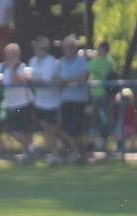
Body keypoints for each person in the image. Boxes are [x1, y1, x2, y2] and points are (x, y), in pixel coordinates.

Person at [0, 43, 34, 162]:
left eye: (13, 54)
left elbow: (17, 80)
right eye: (8, 54)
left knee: (26, 131)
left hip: (24, 103)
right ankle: (32, 148)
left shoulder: (22, 67)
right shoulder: (1, 67)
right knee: (12, 131)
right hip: (11, 104)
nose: (10, 56)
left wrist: (12, 67)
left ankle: (28, 154)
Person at [28, 36, 62, 164]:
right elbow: (32, 80)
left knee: (53, 130)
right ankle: (54, 155)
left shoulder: (50, 61)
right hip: (39, 102)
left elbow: (44, 81)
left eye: (43, 48)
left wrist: (33, 80)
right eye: (38, 47)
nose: (40, 50)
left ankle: (57, 154)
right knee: (46, 130)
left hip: (53, 102)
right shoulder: (32, 61)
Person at [56, 35, 89, 163]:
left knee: (75, 130)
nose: (67, 50)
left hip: (78, 100)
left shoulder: (81, 61)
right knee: (64, 129)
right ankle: (73, 153)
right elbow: (58, 80)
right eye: (65, 47)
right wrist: (69, 81)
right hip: (65, 100)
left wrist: (67, 81)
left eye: (70, 47)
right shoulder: (61, 62)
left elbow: (82, 77)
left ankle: (82, 155)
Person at [87, 41, 118, 155]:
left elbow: (89, 67)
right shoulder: (98, 60)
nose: (98, 51)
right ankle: (90, 147)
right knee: (95, 122)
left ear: (105, 50)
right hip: (95, 96)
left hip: (103, 96)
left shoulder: (107, 62)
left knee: (109, 122)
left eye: (100, 49)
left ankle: (119, 145)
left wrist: (88, 56)